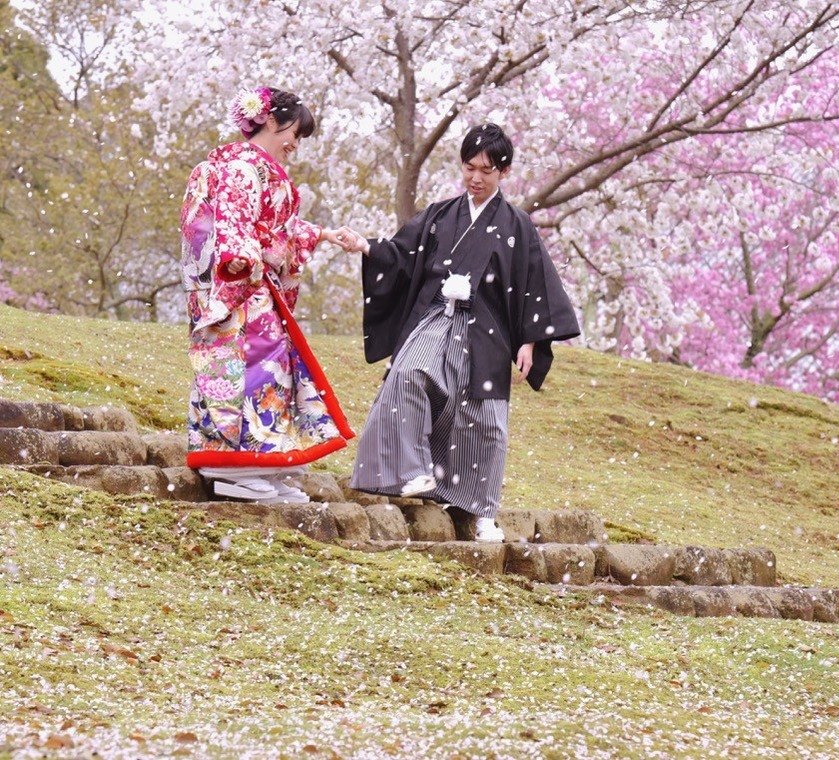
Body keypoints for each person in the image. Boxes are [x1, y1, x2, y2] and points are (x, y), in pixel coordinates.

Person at [347, 123, 579, 541]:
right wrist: (367, 247)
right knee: (408, 375)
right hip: (437, 315)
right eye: (469, 167)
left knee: (484, 418)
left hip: (488, 327)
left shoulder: (517, 224)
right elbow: (402, 253)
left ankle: (480, 509)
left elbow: (535, 283)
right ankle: (411, 470)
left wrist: (530, 339)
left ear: (503, 172)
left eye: (486, 170)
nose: (475, 177)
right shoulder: (440, 213)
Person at [180, 86, 357, 503]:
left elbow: (280, 228)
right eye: (294, 132)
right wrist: (243, 260)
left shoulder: (256, 167)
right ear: (272, 121)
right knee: (255, 366)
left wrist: (323, 234)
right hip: (242, 287)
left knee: (271, 367)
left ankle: (260, 460)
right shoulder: (242, 167)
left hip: (258, 284)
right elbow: (234, 228)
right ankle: (237, 464)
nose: (295, 143)